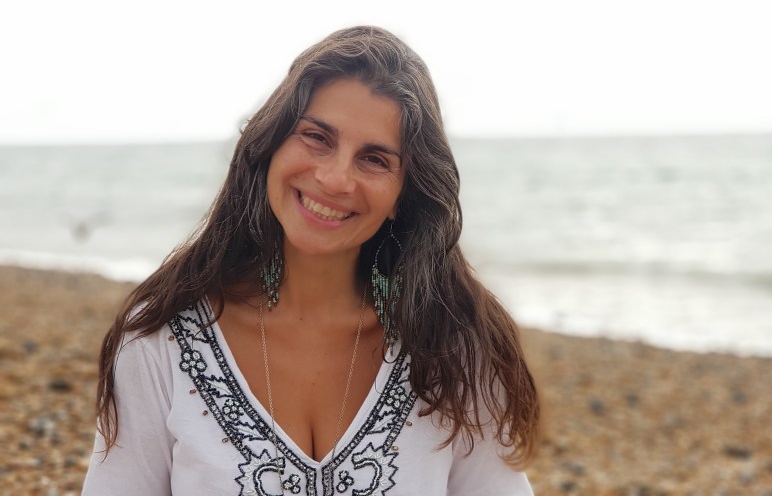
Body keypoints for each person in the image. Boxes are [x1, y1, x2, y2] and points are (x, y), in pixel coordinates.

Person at [82, 26, 540, 495]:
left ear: (404, 194)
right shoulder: (160, 341)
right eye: (317, 137)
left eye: (375, 159)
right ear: (272, 145)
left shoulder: (456, 353)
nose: (336, 178)